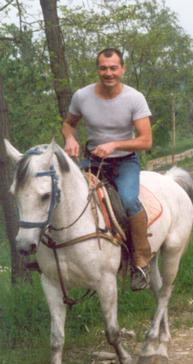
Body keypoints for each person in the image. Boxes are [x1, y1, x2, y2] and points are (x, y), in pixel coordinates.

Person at [62, 48, 153, 291]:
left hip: (125, 162)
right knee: (63, 193)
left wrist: (115, 144)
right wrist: (70, 138)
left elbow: (146, 141)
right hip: (93, 161)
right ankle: (58, 257)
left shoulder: (134, 98)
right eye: (103, 68)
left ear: (122, 69)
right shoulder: (82, 96)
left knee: (129, 201)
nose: (108, 73)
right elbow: (68, 124)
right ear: (97, 69)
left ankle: (141, 260)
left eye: (113, 68)